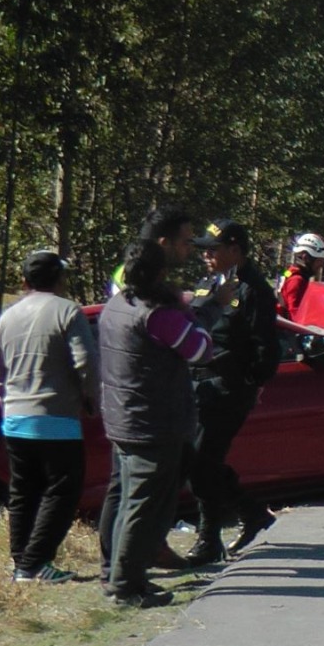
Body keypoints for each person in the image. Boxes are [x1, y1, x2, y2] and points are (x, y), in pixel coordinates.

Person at [98, 237, 222, 608]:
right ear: (162, 273)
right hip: (153, 421)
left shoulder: (116, 306)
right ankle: (124, 587)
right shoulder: (158, 314)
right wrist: (197, 307)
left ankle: (125, 576)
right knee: (144, 507)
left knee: (131, 503)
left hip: (123, 417)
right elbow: (201, 350)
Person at [0, 250, 99, 583]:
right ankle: (36, 563)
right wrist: (89, 397)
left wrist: (9, 400)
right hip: (56, 417)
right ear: (61, 279)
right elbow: (86, 363)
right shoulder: (67, 311)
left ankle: (21, 562)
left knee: (23, 492)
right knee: (63, 491)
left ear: (24, 281)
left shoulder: (8, 317)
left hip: (15, 419)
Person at [181, 218, 281, 564]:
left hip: (227, 388)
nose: (206, 255)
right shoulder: (208, 283)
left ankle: (209, 539)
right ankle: (251, 513)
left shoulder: (254, 290)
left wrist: (249, 382)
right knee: (196, 461)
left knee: (202, 462)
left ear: (234, 250)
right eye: (204, 249)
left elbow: (265, 347)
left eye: (213, 249)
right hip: (197, 384)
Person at [279, 231, 324, 321]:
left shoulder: (290, 273)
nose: (322, 265)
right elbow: (296, 315)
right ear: (306, 258)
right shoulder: (296, 280)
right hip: (287, 331)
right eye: (319, 260)